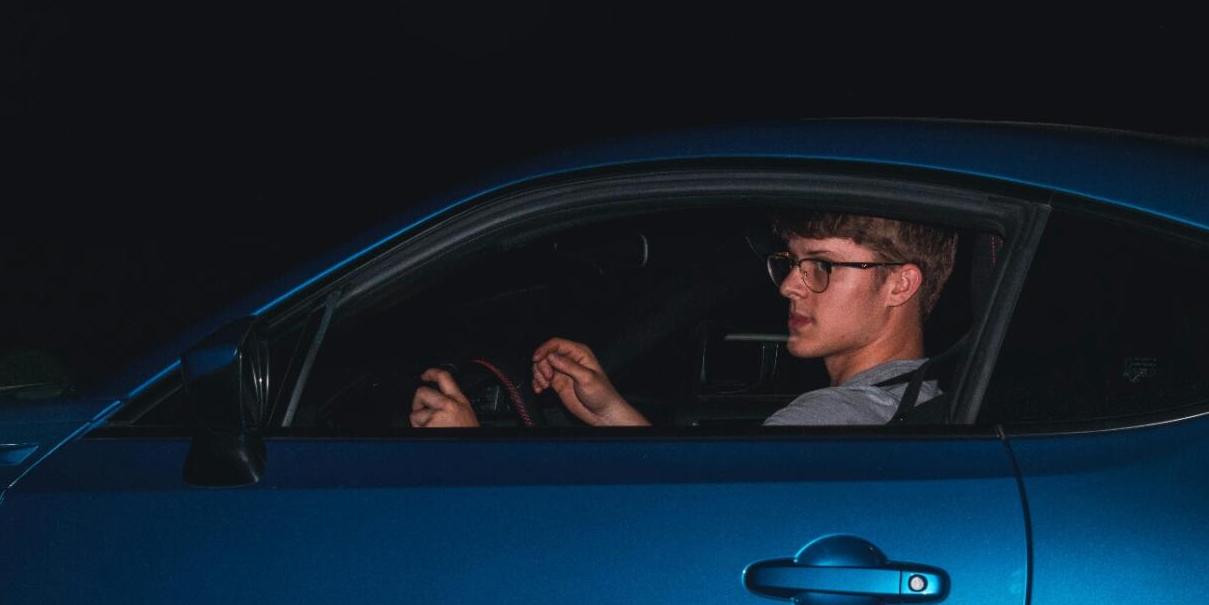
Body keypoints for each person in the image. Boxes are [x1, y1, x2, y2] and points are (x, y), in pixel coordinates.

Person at [409, 211, 957, 428]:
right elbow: (701, 499)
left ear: (900, 283)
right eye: (792, 263)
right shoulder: (913, 397)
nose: (791, 284)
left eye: (822, 266)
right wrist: (612, 411)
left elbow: (661, 532)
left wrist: (468, 451)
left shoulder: (828, 424)